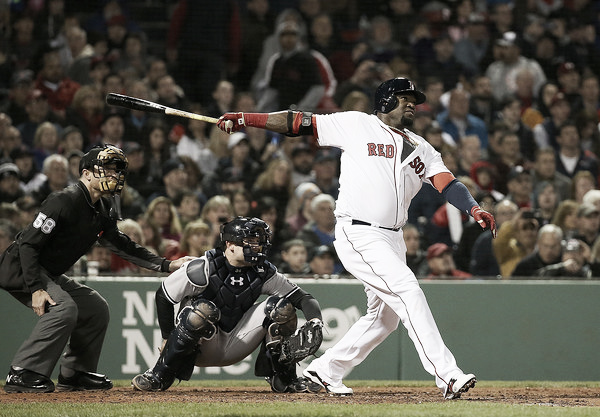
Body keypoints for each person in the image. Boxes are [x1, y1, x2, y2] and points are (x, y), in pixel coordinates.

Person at [215, 76, 496, 399]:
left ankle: (325, 370)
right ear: (386, 100)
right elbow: (297, 122)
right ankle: (447, 375)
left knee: (384, 318)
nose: (411, 104)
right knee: (407, 289)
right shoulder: (357, 124)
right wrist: (246, 119)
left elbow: (448, 182)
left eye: (414, 100)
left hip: (393, 238)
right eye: (405, 97)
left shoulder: (421, 146)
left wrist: (473, 208)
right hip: (359, 231)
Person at [0, 144, 193, 393]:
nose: (114, 175)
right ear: (87, 173)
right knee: (64, 309)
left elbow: (121, 244)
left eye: (116, 171)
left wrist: (166, 264)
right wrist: (36, 289)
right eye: (108, 169)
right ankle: (23, 372)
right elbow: (27, 244)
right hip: (20, 266)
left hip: (48, 271)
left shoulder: (102, 209)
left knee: (94, 307)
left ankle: (75, 373)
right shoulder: (64, 200)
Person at [131, 216, 324, 394]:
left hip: (238, 342)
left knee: (281, 307)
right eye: (251, 242)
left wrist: (316, 321)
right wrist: (167, 337)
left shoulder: (263, 270)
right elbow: (164, 295)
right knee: (203, 310)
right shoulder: (203, 266)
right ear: (230, 244)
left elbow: (303, 298)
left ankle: (285, 378)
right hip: (200, 345)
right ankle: (160, 374)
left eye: (259, 242)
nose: (257, 247)